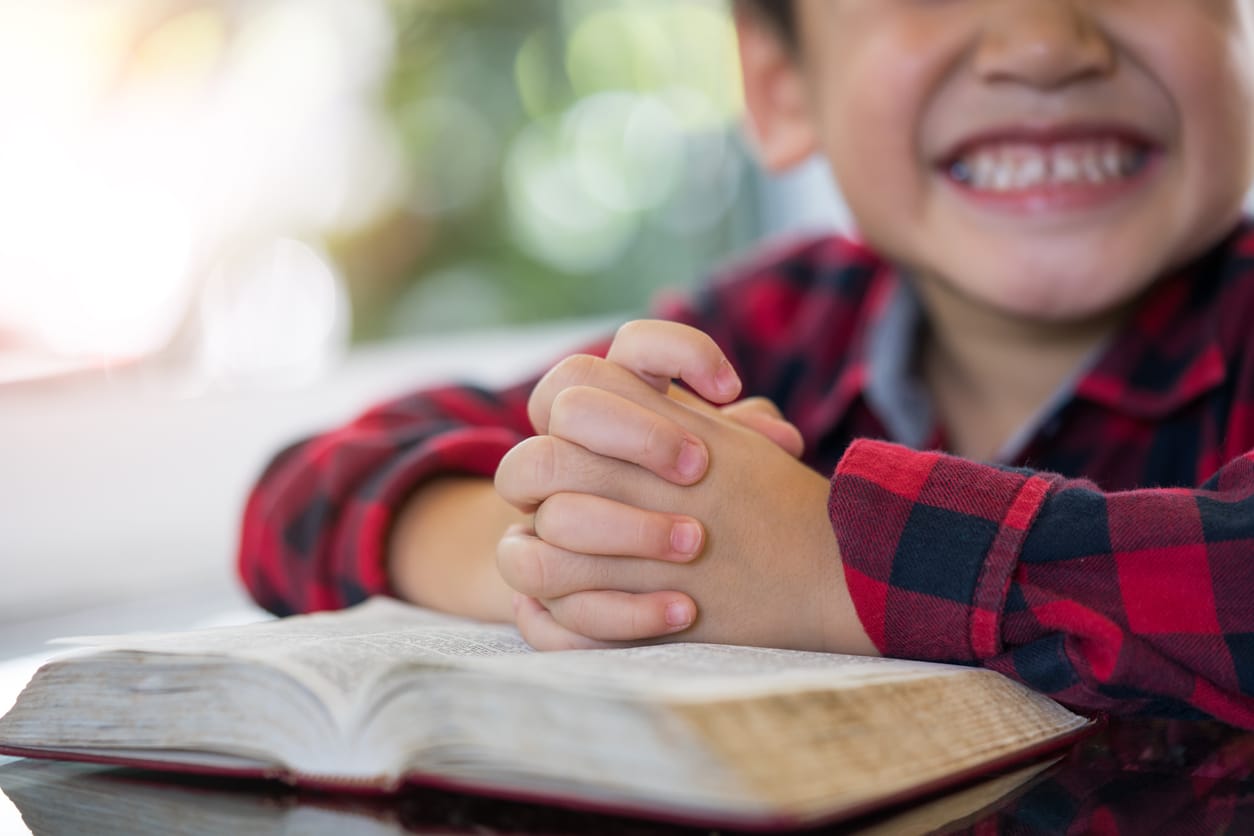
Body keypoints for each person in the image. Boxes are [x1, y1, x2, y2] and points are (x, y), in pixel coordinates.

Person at [238, 0, 1254, 726]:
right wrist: (571, 550)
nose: (1044, 42)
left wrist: (822, 561)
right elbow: (300, 492)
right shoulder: (778, 322)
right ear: (778, 87)